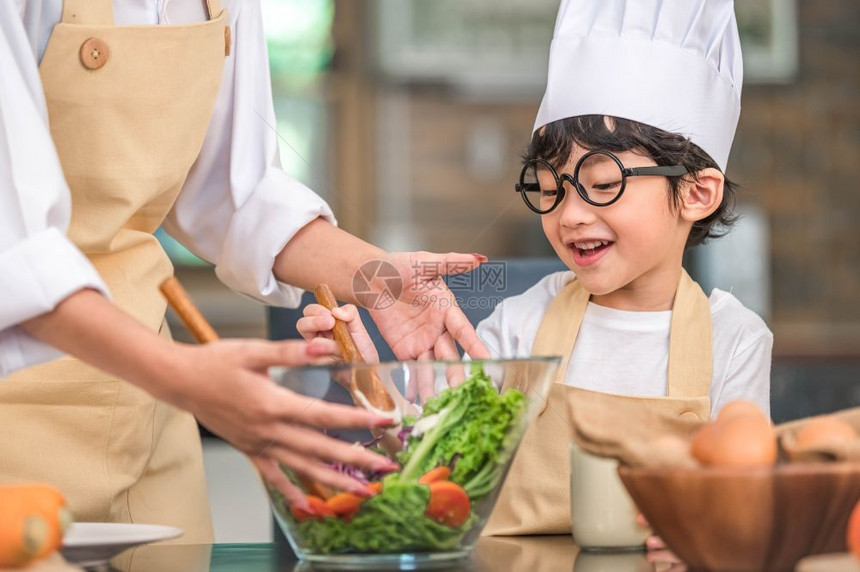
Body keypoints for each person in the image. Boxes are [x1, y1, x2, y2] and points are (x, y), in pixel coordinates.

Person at [0, 0, 489, 543]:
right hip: (19, 409)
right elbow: (11, 251)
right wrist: (184, 377)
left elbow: (236, 191)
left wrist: (380, 281)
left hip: (146, 412)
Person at [298, 0, 772, 546]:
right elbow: (437, 463)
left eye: (602, 183)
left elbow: (746, 487)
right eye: (549, 188)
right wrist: (365, 376)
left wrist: (712, 528)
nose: (569, 215)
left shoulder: (734, 340)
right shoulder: (524, 320)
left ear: (696, 193)